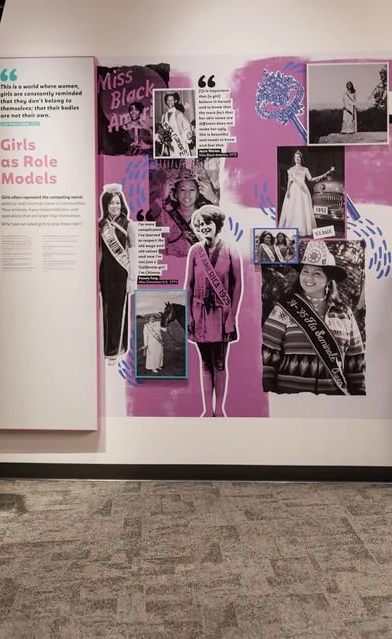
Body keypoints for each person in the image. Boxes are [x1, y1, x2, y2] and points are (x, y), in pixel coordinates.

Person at [262, 240, 366, 395]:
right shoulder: (283, 310)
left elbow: (356, 366)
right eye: (305, 271)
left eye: (317, 273)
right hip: (290, 401)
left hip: (334, 402)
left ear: (328, 280)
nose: (308, 278)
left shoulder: (345, 314)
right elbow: (265, 363)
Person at [186, 205, 243, 417]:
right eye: (199, 225)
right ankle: (207, 410)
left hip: (221, 314)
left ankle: (219, 409)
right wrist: (189, 314)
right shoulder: (195, 251)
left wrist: (232, 317)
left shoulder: (230, 249)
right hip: (199, 312)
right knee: (204, 363)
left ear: (216, 224)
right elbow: (188, 285)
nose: (203, 227)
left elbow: (238, 285)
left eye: (207, 223)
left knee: (219, 363)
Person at [98, 184, 135, 361]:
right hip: (105, 273)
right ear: (105, 205)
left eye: (118, 203)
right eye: (112, 203)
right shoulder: (101, 225)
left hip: (122, 274)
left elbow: (133, 252)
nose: (115, 206)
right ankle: (107, 347)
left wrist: (132, 278)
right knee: (106, 310)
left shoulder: (128, 225)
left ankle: (115, 351)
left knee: (119, 311)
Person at [277, 150, 335, 237]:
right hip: (293, 190)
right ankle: (292, 227)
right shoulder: (291, 170)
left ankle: (303, 228)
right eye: (296, 157)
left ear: (301, 159)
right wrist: (288, 191)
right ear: (294, 159)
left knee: (303, 208)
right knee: (293, 208)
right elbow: (289, 181)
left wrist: (324, 174)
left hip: (303, 190)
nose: (297, 159)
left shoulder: (305, 169)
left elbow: (311, 179)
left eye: (299, 157)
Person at [156, 91, 194, 158]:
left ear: (175, 101)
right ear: (166, 101)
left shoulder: (179, 114)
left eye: (172, 100)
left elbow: (186, 127)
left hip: (180, 143)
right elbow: (162, 130)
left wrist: (188, 135)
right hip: (169, 145)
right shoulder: (163, 116)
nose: (170, 102)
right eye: (168, 100)